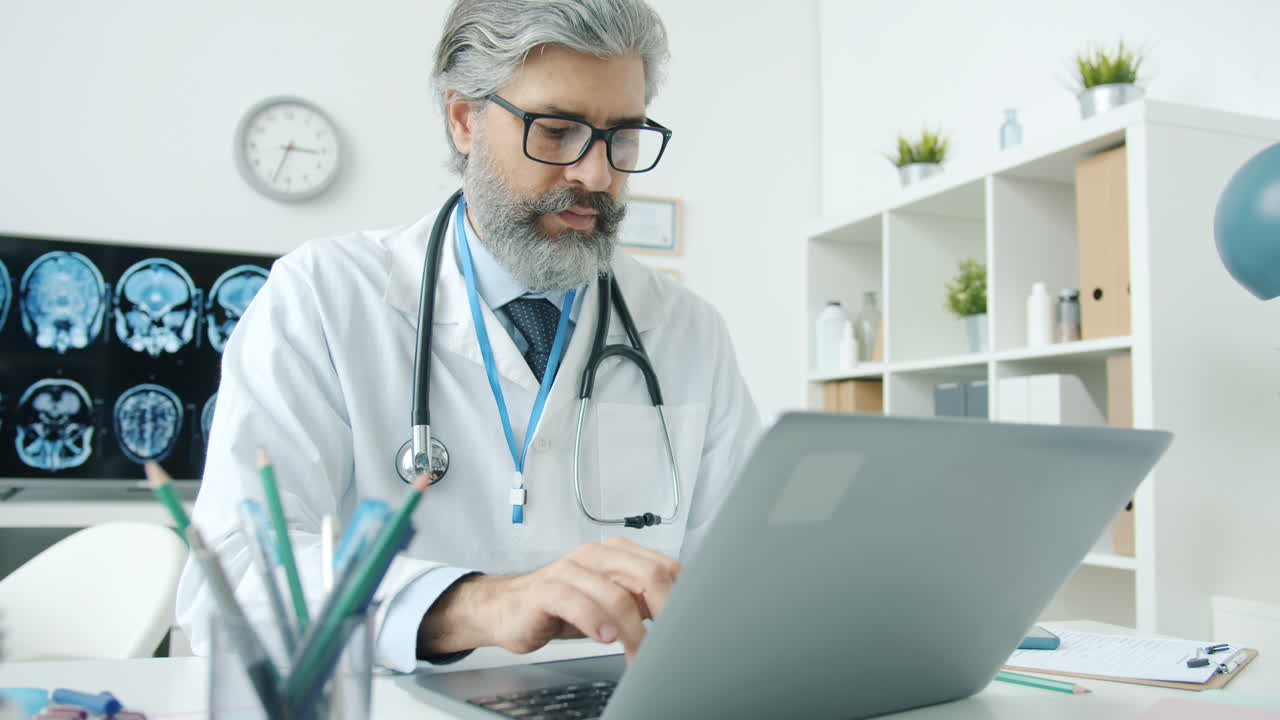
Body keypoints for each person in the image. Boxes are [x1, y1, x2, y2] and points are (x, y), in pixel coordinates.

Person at [175, 0, 761, 673]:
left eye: (621, 138)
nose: (596, 176)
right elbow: (236, 577)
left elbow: (745, 570)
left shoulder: (688, 332)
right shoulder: (326, 298)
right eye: (558, 130)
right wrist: (480, 606)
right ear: (464, 120)